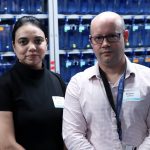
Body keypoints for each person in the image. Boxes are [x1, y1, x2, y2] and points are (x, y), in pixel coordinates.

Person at [62, 11, 150, 150]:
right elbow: (72, 134)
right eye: (98, 38)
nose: (105, 44)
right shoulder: (78, 84)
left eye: (112, 36)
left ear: (125, 36)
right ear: (91, 41)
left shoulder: (147, 80)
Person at [0, 16, 66, 150]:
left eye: (38, 41)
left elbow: (69, 131)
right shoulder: (4, 85)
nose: (32, 47)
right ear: (14, 46)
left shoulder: (57, 80)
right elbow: (6, 144)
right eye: (23, 42)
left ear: (46, 43)